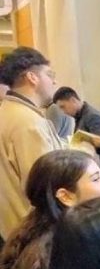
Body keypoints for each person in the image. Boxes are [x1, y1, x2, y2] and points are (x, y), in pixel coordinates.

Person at [0, 47, 65, 244]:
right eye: (50, 75)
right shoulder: (28, 122)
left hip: (14, 232)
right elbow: (44, 186)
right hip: (36, 235)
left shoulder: (8, 112)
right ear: (32, 77)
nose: (54, 82)